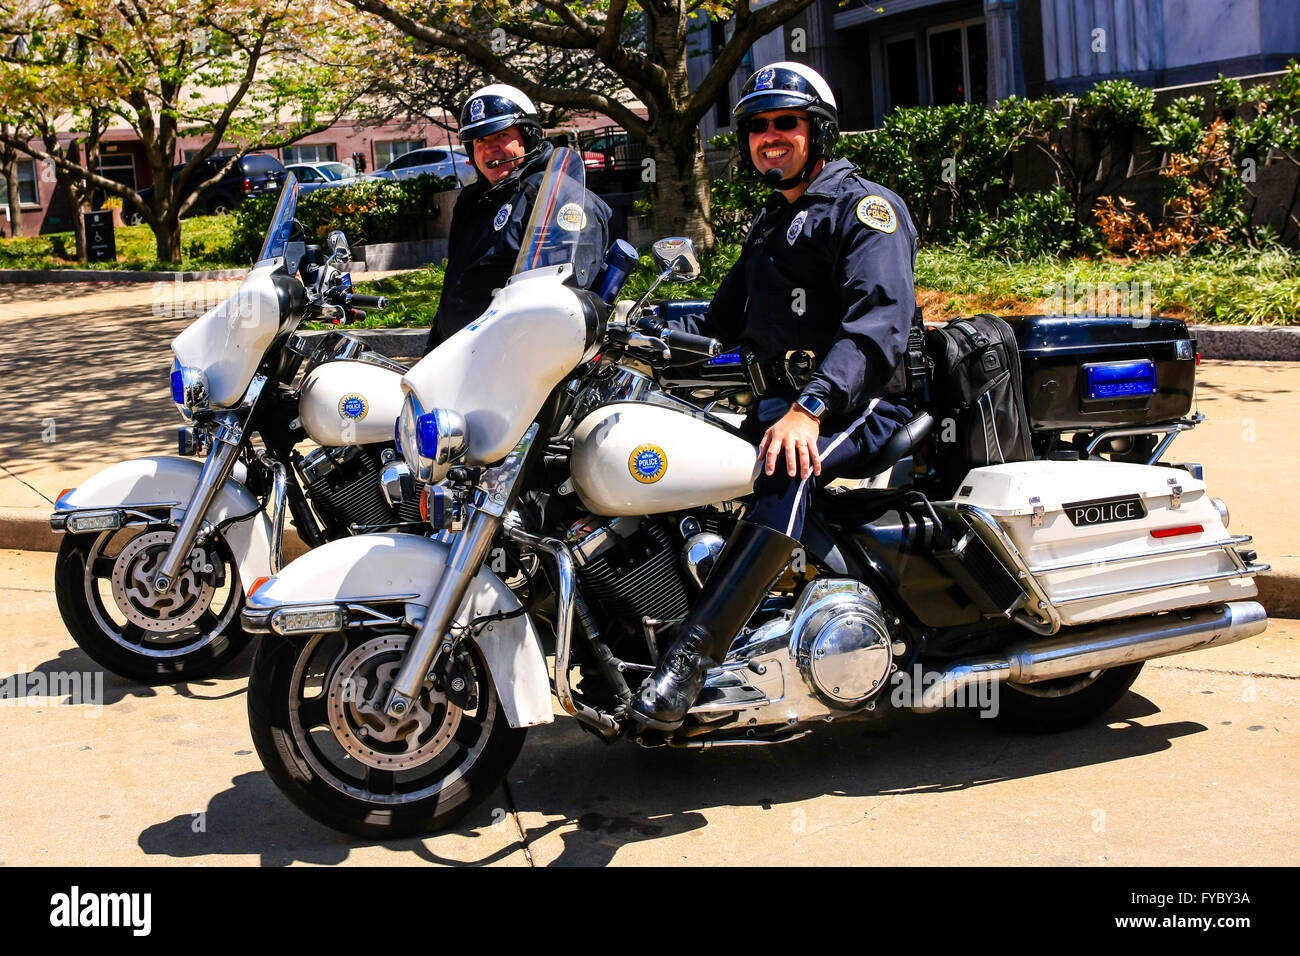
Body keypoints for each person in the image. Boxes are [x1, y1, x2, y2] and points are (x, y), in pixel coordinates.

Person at [631, 61, 919, 730]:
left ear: (816, 131)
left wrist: (810, 408)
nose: (769, 138)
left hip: (861, 403)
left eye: (784, 124)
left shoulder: (863, 211)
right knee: (691, 465)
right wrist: (628, 332)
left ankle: (692, 662)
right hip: (783, 406)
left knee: (780, 466)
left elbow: (877, 329)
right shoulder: (772, 221)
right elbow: (716, 318)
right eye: (757, 128)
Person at [424, 84, 613, 353]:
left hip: (516, 364)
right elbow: (456, 284)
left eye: (501, 136)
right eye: (480, 141)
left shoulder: (558, 198)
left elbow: (564, 303)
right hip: (461, 358)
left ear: (529, 136)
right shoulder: (473, 201)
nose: (491, 149)